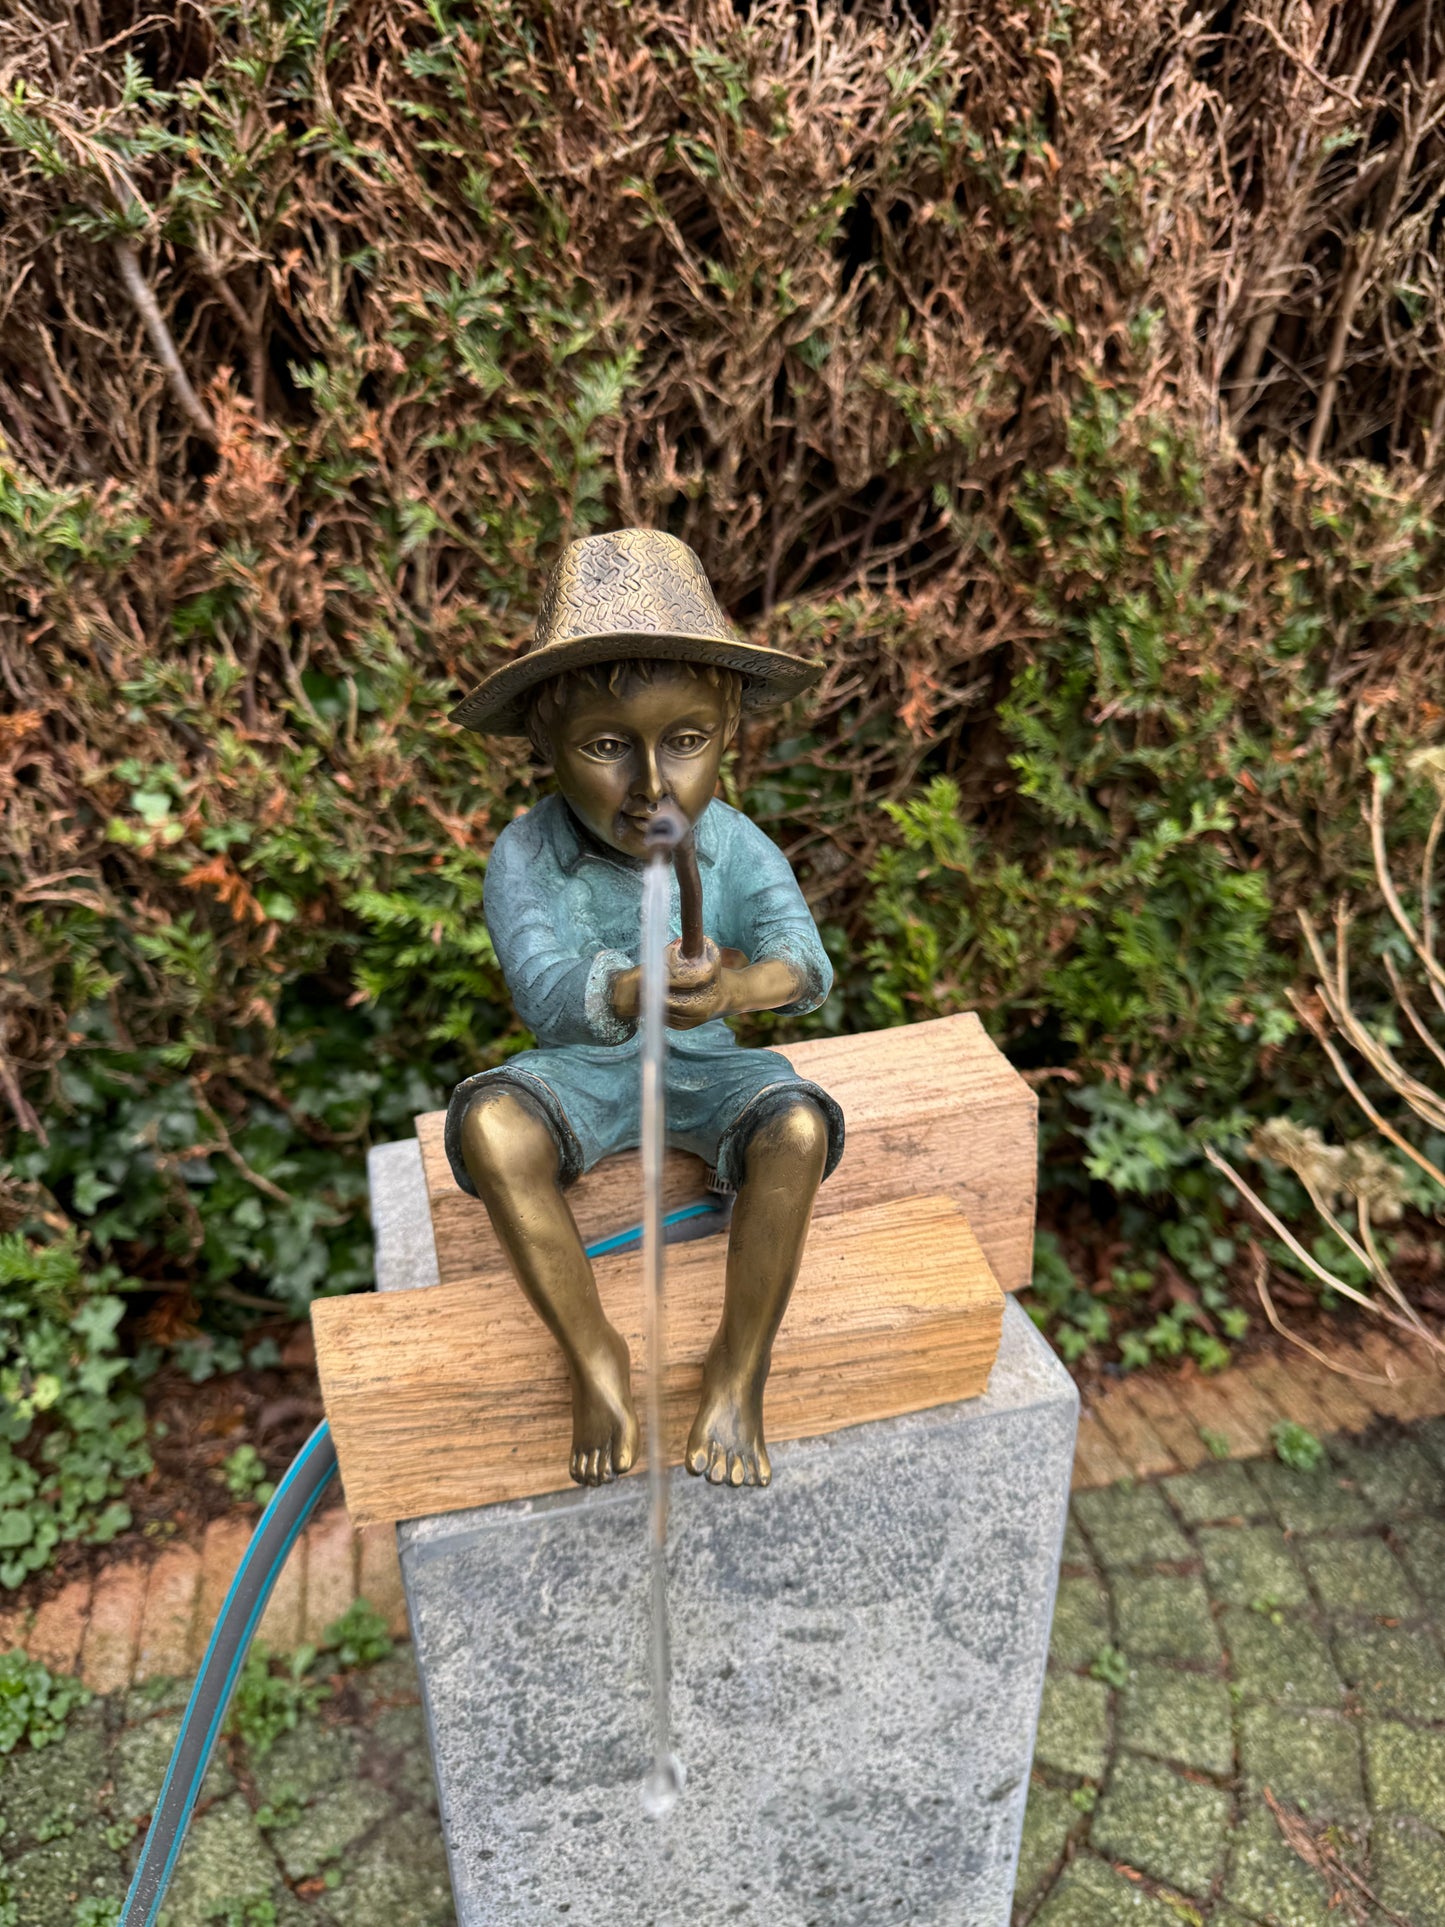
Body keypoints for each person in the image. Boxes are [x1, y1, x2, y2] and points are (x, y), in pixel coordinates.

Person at [445, 529, 844, 1488]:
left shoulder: (734, 844)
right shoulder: (526, 855)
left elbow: (805, 960)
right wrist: (630, 987)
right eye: (607, 747)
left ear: (730, 731)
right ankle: (595, 1358)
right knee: (495, 1131)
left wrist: (739, 988)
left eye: (687, 741)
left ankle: (737, 1369)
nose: (653, 786)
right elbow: (543, 987)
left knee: (793, 1126)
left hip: (707, 1063)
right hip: (584, 1069)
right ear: (545, 743)